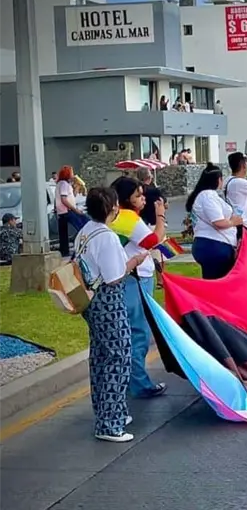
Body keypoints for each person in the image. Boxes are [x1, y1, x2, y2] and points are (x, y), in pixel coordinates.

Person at [75, 187, 151, 442]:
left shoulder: (85, 232)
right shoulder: (106, 237)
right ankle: (110, 423)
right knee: (118, 358)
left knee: (100, 357)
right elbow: (115, 276)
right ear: (111, 209)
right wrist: (135, 262)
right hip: (109, 302)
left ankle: (110, 412)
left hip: (92, 302)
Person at [109, 177, 168, 399]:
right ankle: (140, 384)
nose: (143, 199)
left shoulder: (114, 217)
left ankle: (126, 381)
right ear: (127, 199)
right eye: (138, 195)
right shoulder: (129, 219)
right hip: (136, 279)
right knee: (138, 332)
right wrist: (160, 215)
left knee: (124, 332)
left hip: (119, 278)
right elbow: (153, 240)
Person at [186, 164, 243, 279]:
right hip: (215, 246)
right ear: (219, 180)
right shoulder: (208, 196)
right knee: (218, 283)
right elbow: (218, 222)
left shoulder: (204, 196)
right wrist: (233, 222)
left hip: (212, 245)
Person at [55, 165, 88, 257]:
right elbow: (64, 199)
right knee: (82, 226)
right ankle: (82, 246)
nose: (73, 175)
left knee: (63, 233)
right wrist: (75, 210)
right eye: (71, 172)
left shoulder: (62, 184)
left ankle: (64, 251)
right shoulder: (64, 184)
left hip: (62, 212)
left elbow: (70, 196)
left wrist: (76, 188)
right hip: (67, 211)